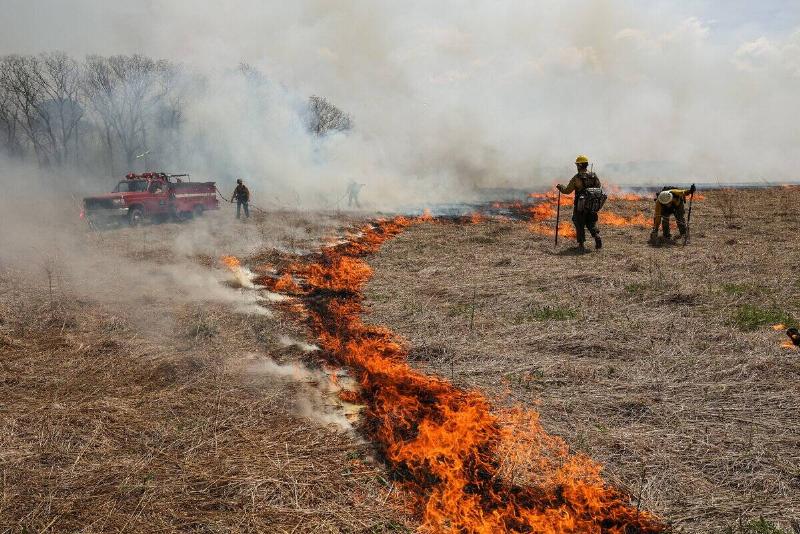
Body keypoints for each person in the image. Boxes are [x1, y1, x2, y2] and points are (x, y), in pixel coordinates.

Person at [556, 155, 603, 252]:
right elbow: (599, 186)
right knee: (591, 222)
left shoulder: (577, 178)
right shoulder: (593, 175)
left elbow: (567, 190)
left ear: (580, 165)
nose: (577, 166)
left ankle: (581, 245)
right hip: (592, 205)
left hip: (580, 205)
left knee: (579, 223)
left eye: (577, 165)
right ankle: (596, 236)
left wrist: (560, 187)